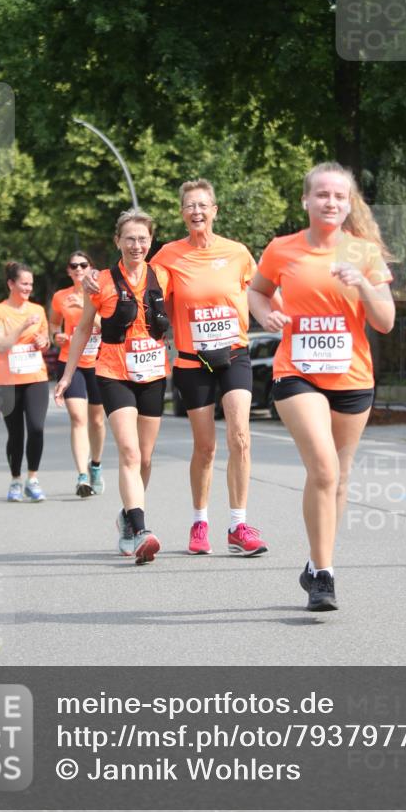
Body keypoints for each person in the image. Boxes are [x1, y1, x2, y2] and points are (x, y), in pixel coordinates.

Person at [248, 162, 395, 611]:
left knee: (339, 476)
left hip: (351, 376)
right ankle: (326, 578)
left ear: (348, 204)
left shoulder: (363, 252)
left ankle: (316, 562)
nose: (331, 202)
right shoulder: (281, 249)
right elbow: (256, 291)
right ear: (306, 201)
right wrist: (264, 314)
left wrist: (363, 286)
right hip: (297, 372)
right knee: (325, 469)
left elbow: (385, 322)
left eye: (339, 197)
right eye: (322, 195)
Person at [151, 179, 269, 557]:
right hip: (191, 360)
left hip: (234, 353)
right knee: (205, 446)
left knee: (240, 436)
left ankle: (238, 525)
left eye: (203, 205)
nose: (197, 212)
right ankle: (200, 522)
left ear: (215, 210)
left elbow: (261, 293)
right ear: (182, 213)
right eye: (190, 206)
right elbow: (149, 295)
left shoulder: (237, 254)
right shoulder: (168, 255)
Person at [55, 211, 170, 565]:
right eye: (130, 239)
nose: (137, 245)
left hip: (152, 372)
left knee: (146, 458)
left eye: (143, 239)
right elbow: (82, 330)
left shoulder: (164, 274)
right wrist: (66, 375)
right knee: (130, 453)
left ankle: (126, 517)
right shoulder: (100, 281)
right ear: (117, 241)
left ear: (151, 241)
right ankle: (140, 529)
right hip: (113, 370)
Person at [0, 261, 50, 502]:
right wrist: (23, 325)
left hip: (35, 377)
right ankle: (15, 480)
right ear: (11, 284)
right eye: (23, 283)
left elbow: (44, 339)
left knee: (36, 428)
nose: (28, 288)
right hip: (6, 381)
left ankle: (32, 479)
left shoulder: (38, 310)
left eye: (31, 284)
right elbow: (0, 344)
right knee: (16, 434)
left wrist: (43, 341)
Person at [49, 251, 106, 497]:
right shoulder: (60, 297)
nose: (79, 269)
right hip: (69, 362)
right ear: (69, 271)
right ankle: (82, 475)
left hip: (98, 361)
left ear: (91, 268)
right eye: (74, 266)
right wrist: (56, 336)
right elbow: (53, 324)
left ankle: (95, 465)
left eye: (83, 264)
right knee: (77, 417)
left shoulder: (101, 292)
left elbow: (109, 326)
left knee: (96, 420)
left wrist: (86, 309)